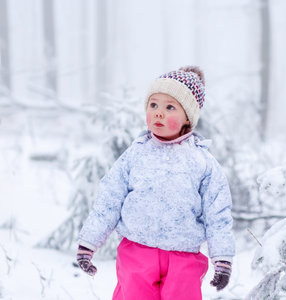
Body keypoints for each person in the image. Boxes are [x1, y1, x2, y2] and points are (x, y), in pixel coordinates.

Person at [76, 66, 235, 299]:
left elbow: (218, 214)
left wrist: (222, 258)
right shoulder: (135, 155)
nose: (158, 113)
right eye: (153, 105)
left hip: (184, 258)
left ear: (188, 117)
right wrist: (89, 242)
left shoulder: (203, 162)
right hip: (136, 253)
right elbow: (109, 200)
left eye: (169, 107)